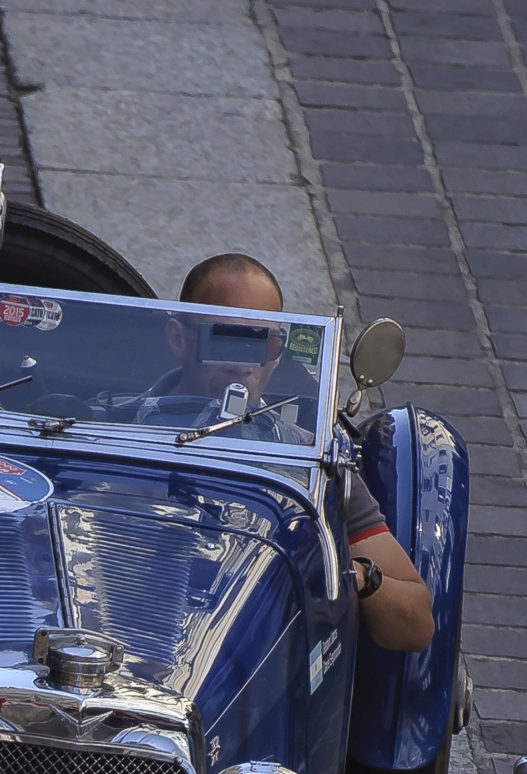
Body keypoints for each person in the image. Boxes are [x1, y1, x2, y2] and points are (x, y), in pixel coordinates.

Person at [176, 252, 434, 654]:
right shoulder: (109, 425)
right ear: (178, 338)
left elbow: (416, 625)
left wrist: (353, 574)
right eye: (226, 339)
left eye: (265, 344)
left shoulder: (310, 457)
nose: (245, 366)